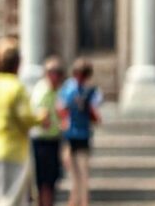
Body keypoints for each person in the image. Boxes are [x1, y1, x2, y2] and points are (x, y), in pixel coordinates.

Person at [0, 37, 45, 206]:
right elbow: (25, 118)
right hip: (12, 151)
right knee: (10, 201)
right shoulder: (16, 86)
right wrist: (41, 117)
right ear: (18, 65)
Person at [58, 57, 102, 206]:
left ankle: (82, 202)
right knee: (75, 177)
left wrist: (86, 108)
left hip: (82, 135)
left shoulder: (90, 92)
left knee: (82, 176)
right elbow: (61, 109)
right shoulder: (68, 89)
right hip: (70, 136)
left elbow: (95, 117)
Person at [30, 56, 66, 206]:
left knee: (50, 181)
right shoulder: (43, 91)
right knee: (45, 182)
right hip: (43, 141)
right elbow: (42, 118)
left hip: (52, 139)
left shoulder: (54, 90)